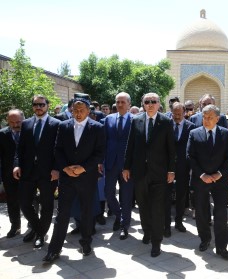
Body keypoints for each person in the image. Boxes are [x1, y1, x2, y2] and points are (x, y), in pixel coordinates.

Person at [43, 93, 105, 263]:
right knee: (62, 213)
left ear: (88, 111)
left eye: (81, 110)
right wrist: (65, 168)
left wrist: (83, 168)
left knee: (86, 212)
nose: (78, 113)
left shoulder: (97, 127)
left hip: (87, 177)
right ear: (71, 110)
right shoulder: (63, 126)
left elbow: (100, 153)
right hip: (67, 177)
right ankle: (54, 249)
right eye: (75, 110)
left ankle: (86, 243)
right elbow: (58, 149)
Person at [122, 92, 176, 258]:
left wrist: (171, 170)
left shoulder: (166, 122)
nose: (150, 104)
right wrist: (126, 167)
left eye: (154, 101)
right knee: (143, 206)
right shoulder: (136, 120)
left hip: (159, 173)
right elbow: (130, 145)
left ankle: (156, 242)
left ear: (159, 104)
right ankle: (147, 231)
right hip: (139, 172)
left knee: (157, 208)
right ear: (143, 104)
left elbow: (171, 149)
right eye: (147, 102)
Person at [187, 104, 228, 260]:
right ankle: (205, 239)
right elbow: (190, 156)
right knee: (201, 212)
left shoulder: (226, 134)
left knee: (220, 213)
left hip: (220, 181)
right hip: (201, 180)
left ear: (217, 119)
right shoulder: (194, 134)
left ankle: (221, 246)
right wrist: (202, 175)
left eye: (210, 118)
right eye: (204, 117)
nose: (206, 120)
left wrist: (220, 173)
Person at [13, 95, 61, 248]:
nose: (38, 107)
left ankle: (40, 235)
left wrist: (57, 169)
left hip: (48, 172)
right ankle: (36, 227)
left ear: (47, 105)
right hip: (28, 171)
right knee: (24, 202)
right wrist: (17, 165)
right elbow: (20, 148)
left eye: (41, 104)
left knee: (47, 205)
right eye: (35, 104)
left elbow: (60, 150)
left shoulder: (57, 124)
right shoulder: (26, 123)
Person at [103, 92, 134, 240]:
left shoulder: (135, 120)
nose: (119, 105)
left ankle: (124, 226)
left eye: (122, 102)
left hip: (127, 166)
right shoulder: (107, 119)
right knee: (108, 193)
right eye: (117, 102)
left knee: (126, 197)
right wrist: (100, 162)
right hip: (110, 164)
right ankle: (119, 214)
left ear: (128, 104)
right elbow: (103, 142)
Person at [164, 102, 196, 237]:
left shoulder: (192, 127)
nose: (177, 117)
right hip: (167, 166)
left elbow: (193, 148)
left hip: (184, 166)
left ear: (184, 113)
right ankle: (166, 224)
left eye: (179, 114)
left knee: (182, 195)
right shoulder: (165, 126)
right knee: (166, 195)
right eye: (174, 114)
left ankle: (178, 221)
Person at [0, 109, 24, 238]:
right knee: (12, 201)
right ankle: (15, 226)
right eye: (11, 122)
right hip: (9, 174)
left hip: (28, 173)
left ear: (23, 119)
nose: (15, 125)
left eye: (18, 122)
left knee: (30, 199)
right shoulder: (2, 134)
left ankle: (33, 225)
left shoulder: (30, 132)